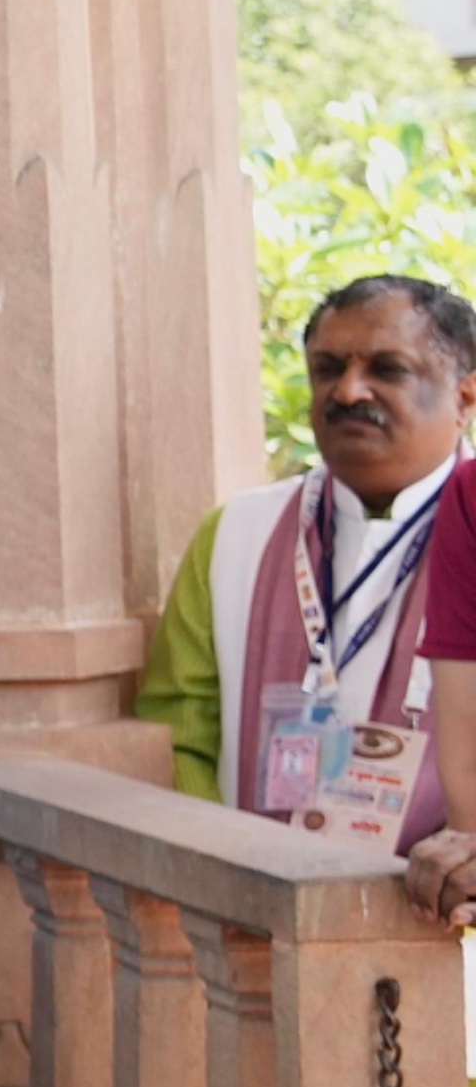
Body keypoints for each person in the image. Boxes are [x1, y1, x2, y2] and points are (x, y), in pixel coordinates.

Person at [139, 275, 466, 854]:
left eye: (387, 369)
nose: (347, 392)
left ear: (465, 395)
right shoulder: (235, 534)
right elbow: (177, 731)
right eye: (327, 369)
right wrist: (230, 867)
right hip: (250, 910)